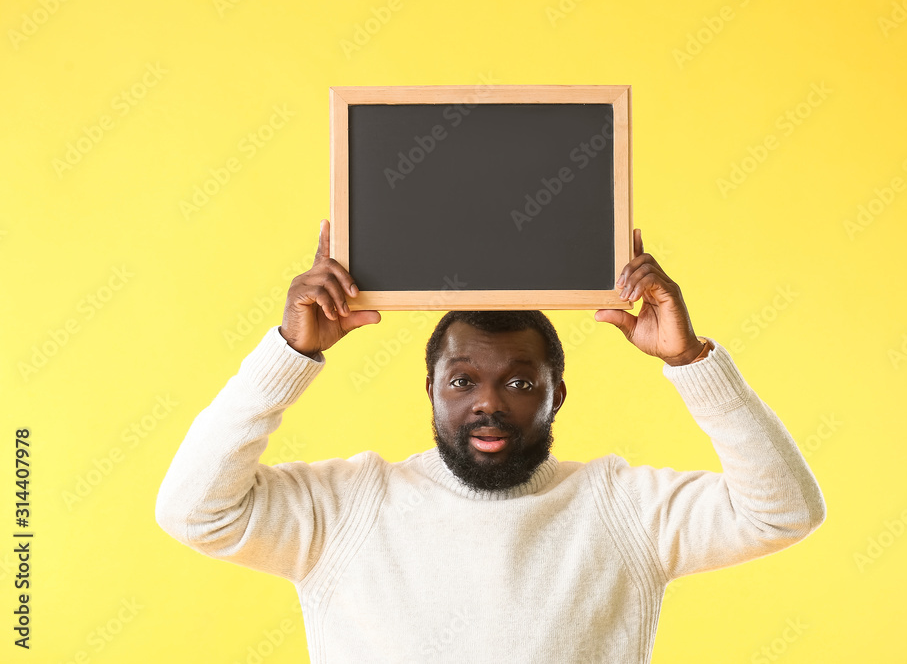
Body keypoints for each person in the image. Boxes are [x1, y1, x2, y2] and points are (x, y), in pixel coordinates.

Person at [155, 220, 826, 663]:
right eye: (464, 380)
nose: (489, 404)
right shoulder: (348, 505)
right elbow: (193, 511)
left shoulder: (622, 506)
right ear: (431, 388)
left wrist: (691, 360)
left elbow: (783, 511)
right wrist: (289, 354)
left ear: (557, 393)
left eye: (521, 383)